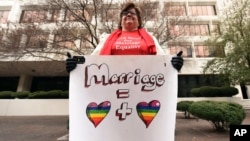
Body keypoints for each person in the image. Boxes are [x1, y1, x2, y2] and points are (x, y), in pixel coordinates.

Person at [66, 2, 183, 72]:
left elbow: (162, 61)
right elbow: (93, 62)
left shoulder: (150, 38)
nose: (128, 14)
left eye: (133, 13)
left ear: (139, 20)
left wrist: (174, 66)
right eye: (125, 13)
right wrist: (76, 67)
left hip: (144, 87)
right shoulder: (107, 39)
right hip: (113, 86)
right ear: (121, 19)